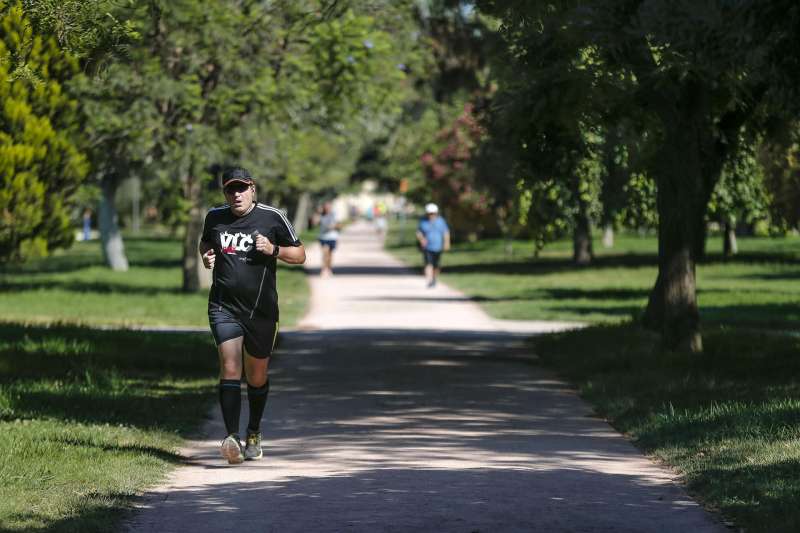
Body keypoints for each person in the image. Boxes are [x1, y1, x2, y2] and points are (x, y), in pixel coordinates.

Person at [199, 167, 306, 464]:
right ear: (224, 193)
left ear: (253, 189)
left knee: (256, 375)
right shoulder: (215, 217)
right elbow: (206, 242)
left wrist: (273, 249)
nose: (236, 195)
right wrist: (205, 255)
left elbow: (300, 255)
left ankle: (254, 432)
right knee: (230, 365)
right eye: (230, 190)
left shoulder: (272, 217)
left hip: (261, 309)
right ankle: (232, 438)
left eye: (241, 188)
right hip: (224, 306)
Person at [416, 202, 450, 288]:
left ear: (436, 213)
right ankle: (429, 280)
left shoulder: (441, 221)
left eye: (433, 213)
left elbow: (446, 232)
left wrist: (446, 243)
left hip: (438, 246)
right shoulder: (423, 221)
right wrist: (421, 239)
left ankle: (434, 279)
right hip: (427, 247)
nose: (431, 215)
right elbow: (419, 232)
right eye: (429, 213)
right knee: (428, 264)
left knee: (436, 265)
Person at [317, 201, 340, 277]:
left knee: (330, 254)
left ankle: (329, 268)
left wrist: (333, 227)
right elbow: (315, 222)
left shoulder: (334, 214)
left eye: (329, 207)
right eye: (326, 207)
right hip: (323, 237)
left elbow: (338, 225)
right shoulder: (321, 214)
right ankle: (323, 269)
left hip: (332, 237)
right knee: (324, 253)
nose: (328, 208)